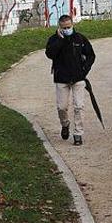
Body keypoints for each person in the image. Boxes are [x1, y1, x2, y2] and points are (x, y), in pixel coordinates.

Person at [44, 15, 95, 146]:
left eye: (69, 27)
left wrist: (84, 70)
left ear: (72, 25)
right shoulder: (54, 39)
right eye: (64, 27)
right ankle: (65, 124)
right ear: (59, 27)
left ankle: (78, 133)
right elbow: (50, 54)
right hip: (61, 78)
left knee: (79, 106)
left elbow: (91, 55)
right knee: (62, 107)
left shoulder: (80, 38)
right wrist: (60, 40)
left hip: (78, 78)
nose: (67, 29)